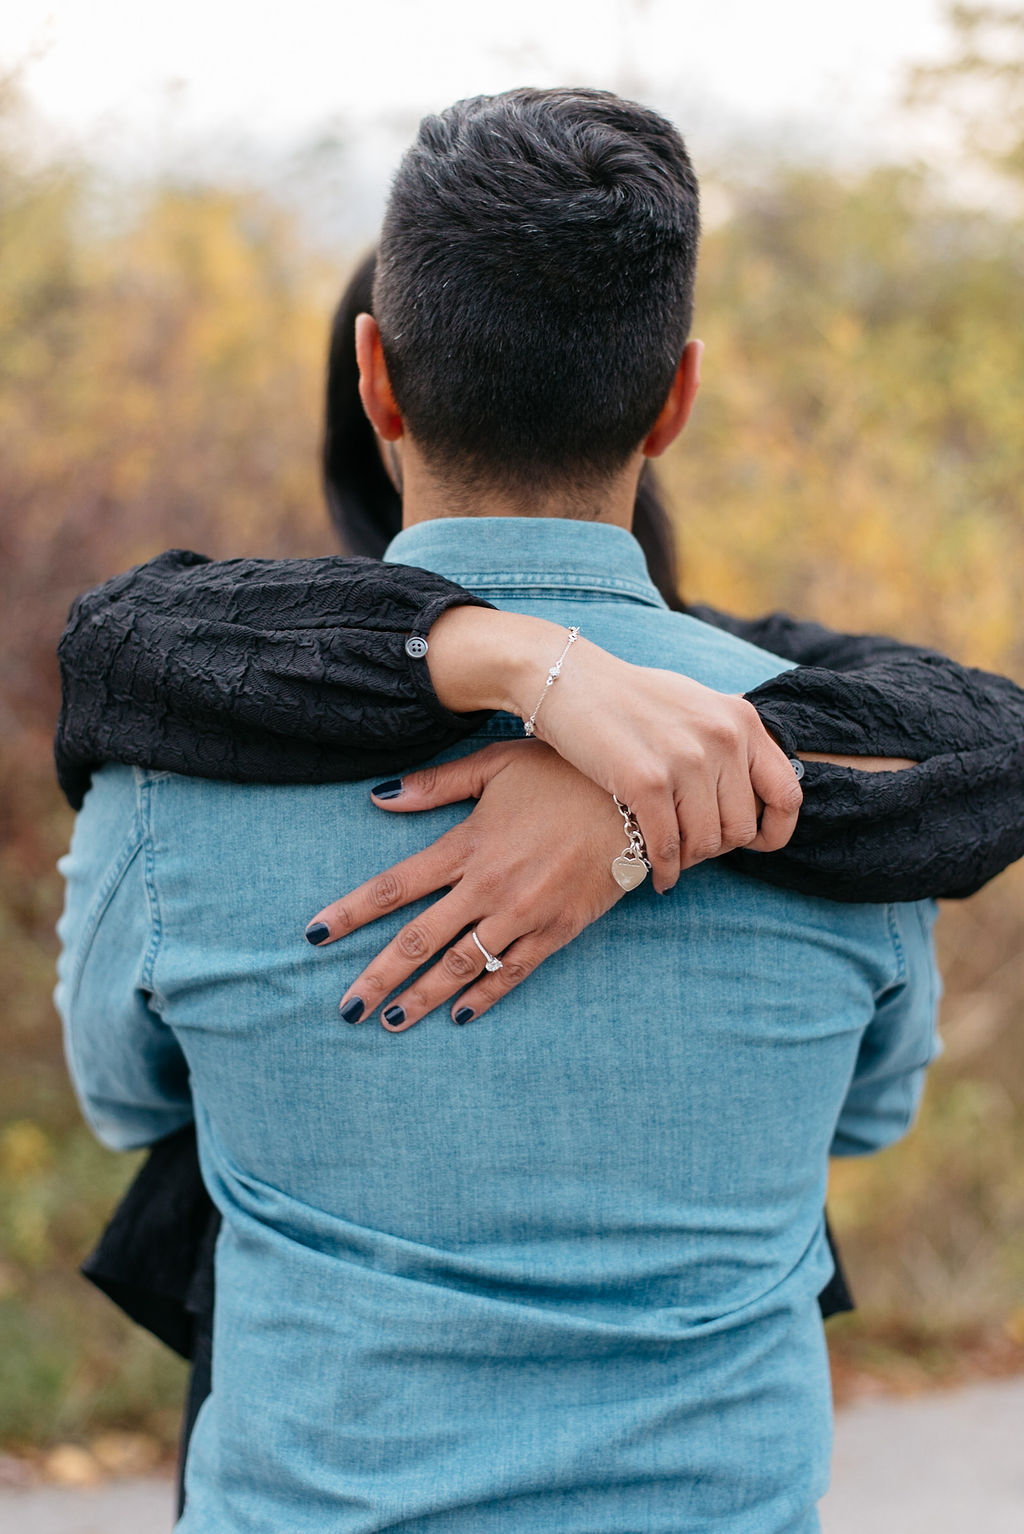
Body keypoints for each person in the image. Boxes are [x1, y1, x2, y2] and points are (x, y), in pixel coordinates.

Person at [57, 87, 956, 1531]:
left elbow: (123, 1094)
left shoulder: (178, 773)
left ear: (375, 378)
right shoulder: (846, 784)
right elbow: (869, 1111)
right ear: (676, 394)